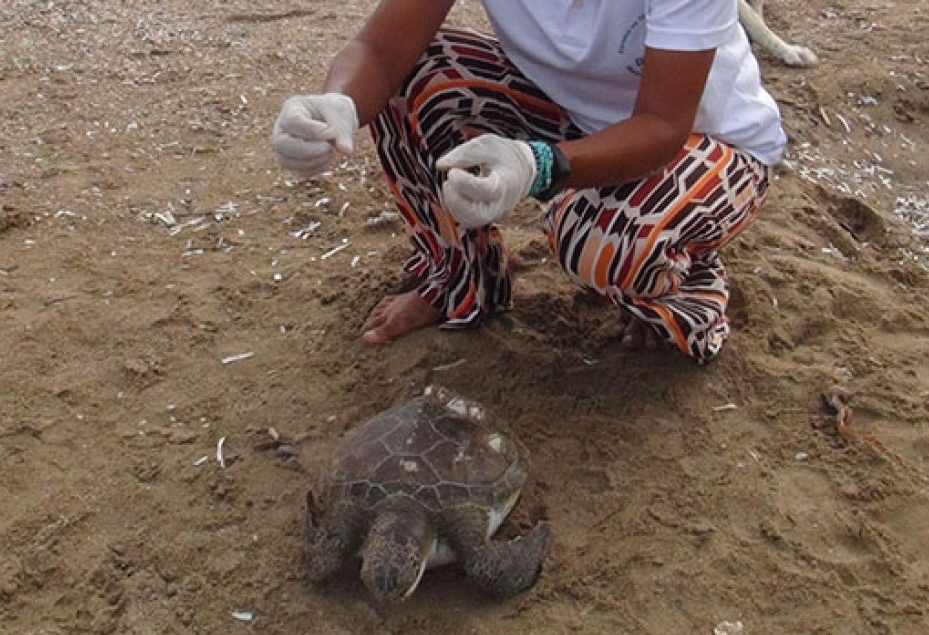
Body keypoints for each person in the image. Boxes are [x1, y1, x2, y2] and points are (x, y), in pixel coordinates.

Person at [270, 0, 785, 364]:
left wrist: (538, 165)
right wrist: (337, 104)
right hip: (577, 117)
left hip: (707, 141)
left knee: (603, 239)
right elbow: (381, 51)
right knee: (413, 81)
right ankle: (461, 280)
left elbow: (662, 125)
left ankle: (688, 284)